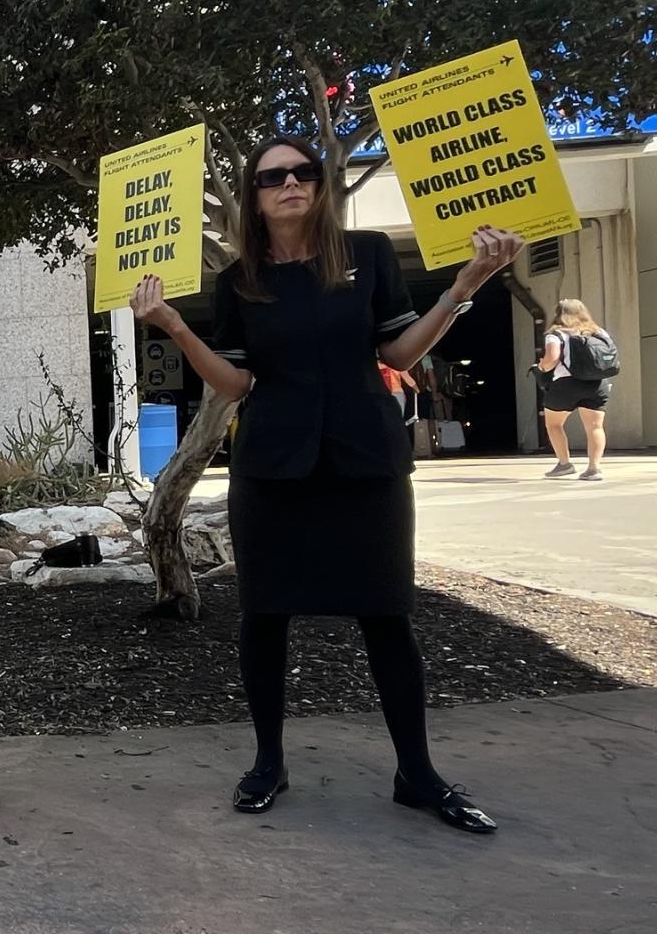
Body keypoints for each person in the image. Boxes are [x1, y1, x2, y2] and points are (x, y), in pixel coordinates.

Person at [130, 136, 523, 835]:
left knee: (387, 615)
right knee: (265, 616)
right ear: (254, 195)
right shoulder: (240, 280)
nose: (290, 185)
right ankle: (268, 761)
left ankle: (418, 774)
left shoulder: (367, 255)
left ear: (320, 184)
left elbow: (398, 351)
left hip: (364, 459)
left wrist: (463, 289)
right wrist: (170, 327)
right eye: (273, 177)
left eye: (304, 173)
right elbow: (236, 382)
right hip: (273, 466)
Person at [536, 298, 613, 481]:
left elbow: (552, 359)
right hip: (597, 382)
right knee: (595, 426)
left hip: (566, 384)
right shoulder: (599, 332)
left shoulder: (556, 333)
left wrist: (541, 367)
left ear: (558, 313)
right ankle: (594, 469)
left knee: (553, 424)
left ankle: (564, 464)